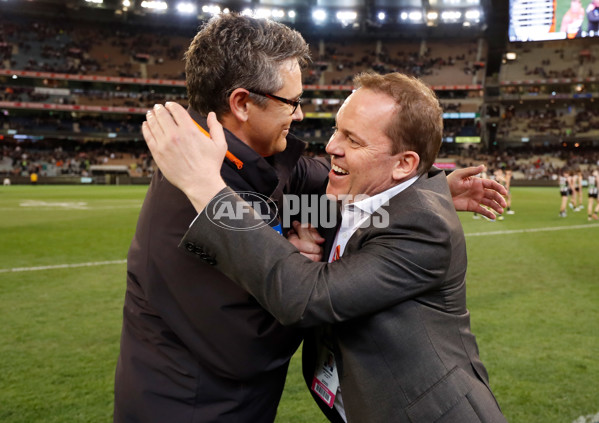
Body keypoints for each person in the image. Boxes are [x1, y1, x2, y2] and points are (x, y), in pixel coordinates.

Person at [114, 14, 505, 423]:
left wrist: (430, 186)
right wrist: (290, 256)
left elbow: (330, 191)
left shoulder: (258, 162)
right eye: (293, 102)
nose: (301, 117)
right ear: (243, 103)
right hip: (188, 410)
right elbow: (247, 346)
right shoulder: (190, 193)